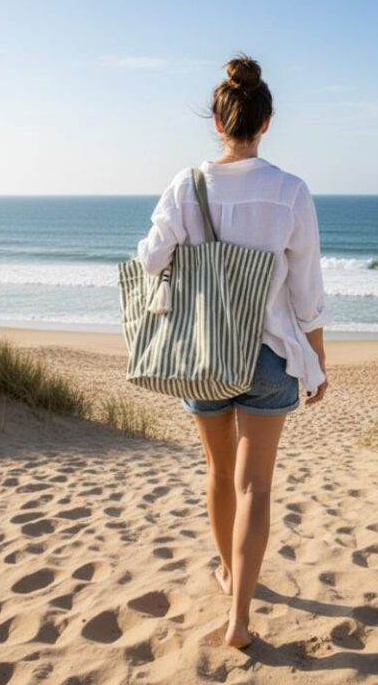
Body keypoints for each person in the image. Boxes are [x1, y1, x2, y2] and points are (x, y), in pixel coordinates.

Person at [136, 53, 330, 648]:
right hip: (269, 354)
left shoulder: (185, 186)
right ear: (265, 124)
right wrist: (317, 360)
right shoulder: (290, 191)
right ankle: (240, 618)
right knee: (256, 487)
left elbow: (150, 260)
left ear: (218, 123)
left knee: (219, 473)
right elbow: (307, 291)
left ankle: (226, 572)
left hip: (203, 352)